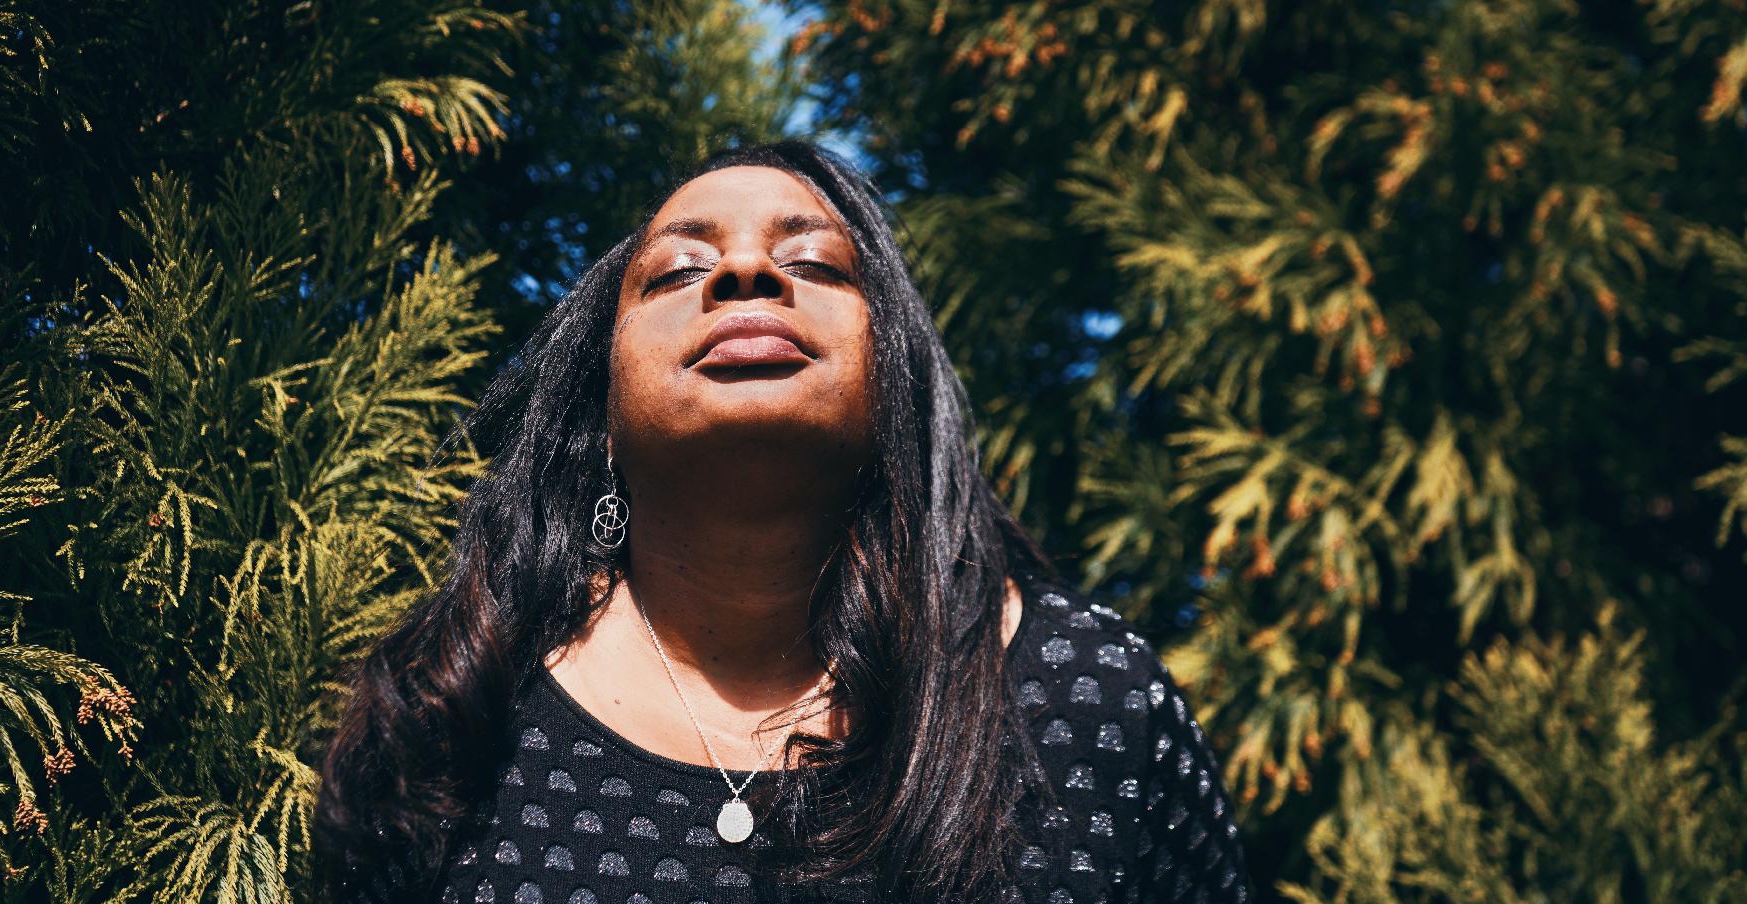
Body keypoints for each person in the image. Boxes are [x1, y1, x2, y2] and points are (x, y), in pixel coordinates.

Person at [314, 139, 1252, 904]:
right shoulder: (452, 714)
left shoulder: (1084, 698)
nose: (746, 269)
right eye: (679, 268)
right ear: (598, 414)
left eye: (811, 261)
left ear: (897, 385)